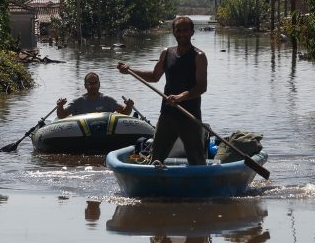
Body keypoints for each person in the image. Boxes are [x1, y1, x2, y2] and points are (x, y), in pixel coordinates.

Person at [118, 16, 207, 165]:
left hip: (189, 116)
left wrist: (181, 97)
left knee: (197, 159)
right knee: (156, 157)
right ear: (173, 32)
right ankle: (154, 183)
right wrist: (130, 70)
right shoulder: (167, 53)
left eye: (185, 30)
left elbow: (201, 87)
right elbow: (154, 76)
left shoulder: (199, 56)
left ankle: (201, 183)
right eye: (178, 30)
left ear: (192, 32)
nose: (182, 34)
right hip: (167, 114)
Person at [56, 72, 133, 118]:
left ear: (99, 84)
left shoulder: (108, 100)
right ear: (85, 86)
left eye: (95, 83)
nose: (93, 86)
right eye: (90, 84)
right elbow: (61, 116)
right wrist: (60, 106)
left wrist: (129, 106)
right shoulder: (78, 102)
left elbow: (125, 112)